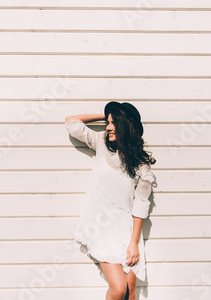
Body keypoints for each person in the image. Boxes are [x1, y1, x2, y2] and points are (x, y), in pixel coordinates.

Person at [65, 101, 157, 300]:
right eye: (108, 123)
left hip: (127, 231)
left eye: (114, 123)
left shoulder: (141, 163)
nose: (108, 127)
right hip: (102, 227)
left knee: (131, 291)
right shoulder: (101, 144)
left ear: (126, 124)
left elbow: (141, 205)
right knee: (118, 289)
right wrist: (105, 116)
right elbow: (72, 123)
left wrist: (133, 244)